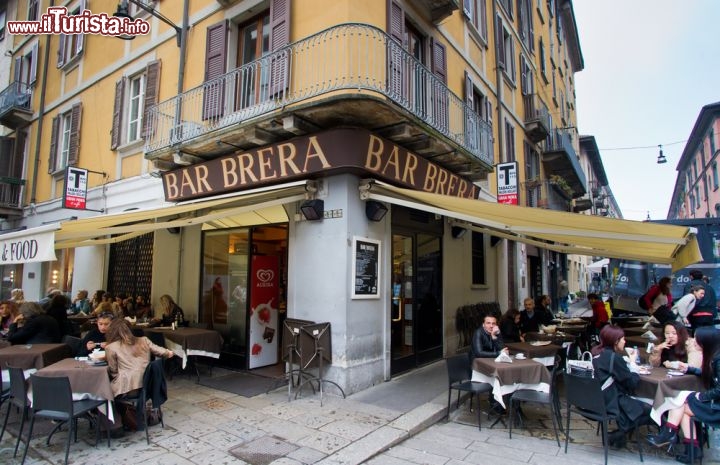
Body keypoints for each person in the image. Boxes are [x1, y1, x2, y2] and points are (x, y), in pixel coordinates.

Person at [646, 327, 720, 462]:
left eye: (697, 339)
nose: (694, 341)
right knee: (682, 407)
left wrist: (702, 396)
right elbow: (708, 375)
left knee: (680, 401)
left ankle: (669, 433)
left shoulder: (718, 359)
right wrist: (689, 369)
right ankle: (691, 451)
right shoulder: (714, 356)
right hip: (714, 402)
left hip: (716, 406)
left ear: (706, 341)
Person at [104, 319, 174, 431]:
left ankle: (115, 425)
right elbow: (164, 352)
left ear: (112, 332)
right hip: (148, 387)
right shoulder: (144, 340)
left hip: (129, 389)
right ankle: (133, 415)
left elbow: (113, 372)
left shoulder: (111, 347)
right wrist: (169, 352)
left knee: (103, 392)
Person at [592, 325, 651, 449]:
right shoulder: (614, 358)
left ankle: (620, 434)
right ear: (615, 341)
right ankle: (620, 433)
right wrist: (634, 367)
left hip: (598, 399)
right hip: (612, 401)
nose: (625, 341)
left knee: (637, 410)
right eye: (623, 339)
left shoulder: (596, 353)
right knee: (652, 411)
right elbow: (630, 383)